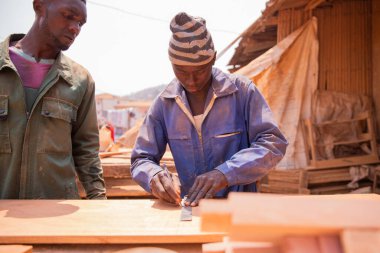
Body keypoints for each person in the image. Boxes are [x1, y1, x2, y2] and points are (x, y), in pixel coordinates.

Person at [131, 12, 288, 206]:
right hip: (191, 209)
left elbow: (273, 144)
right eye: (181, 71)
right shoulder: (164, 104)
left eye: (200, 70)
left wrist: (226, 172)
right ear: (171, 63)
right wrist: (154, 176)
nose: (191, 80)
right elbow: (141, 158)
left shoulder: (242, 92)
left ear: (213, 58)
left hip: (239, 209)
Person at [0, 0, 106, 199]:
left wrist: (100, 204)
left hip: (56, 218)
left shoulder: (80, 80)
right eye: (68, 16)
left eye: (81, 23)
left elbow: (87, 153)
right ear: (39, 6)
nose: (75, 28)